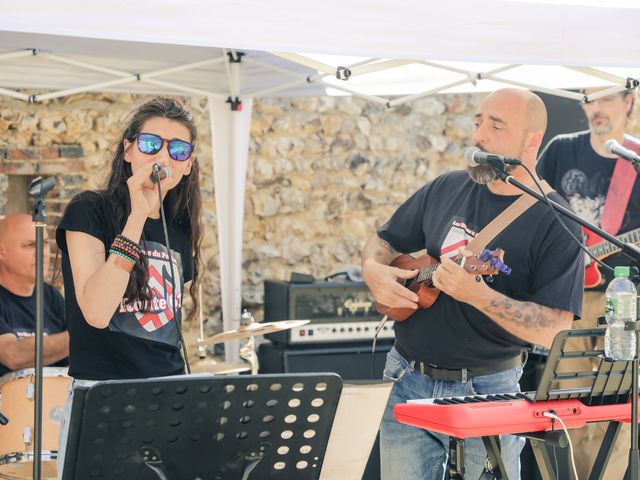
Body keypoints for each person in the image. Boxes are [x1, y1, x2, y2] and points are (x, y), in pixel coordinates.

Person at [362, 88, 584, 480]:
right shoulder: (445, 187)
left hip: (490, 389)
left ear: (532, 140)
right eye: (478, 122)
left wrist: (479, 296)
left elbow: (555, 329)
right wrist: (373, 271)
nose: (479, 135)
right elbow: (384, 242)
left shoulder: (557, 220)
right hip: (406, 378)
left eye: (496, 125)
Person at [55, 97, 202, 475]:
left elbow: (166, 323)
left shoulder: (180, 228)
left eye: (178, 149)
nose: (163, 156)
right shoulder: (89, 211)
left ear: (187, 165)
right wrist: (137, 216)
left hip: (169, 397)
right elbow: (97, 312)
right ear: (128, 151)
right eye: (151, 143)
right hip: (105, 395)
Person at [537, 87, 638, 479]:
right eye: (590, 100)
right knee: (564, 400)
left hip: (625, 300)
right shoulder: (561, 150)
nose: (595, 109)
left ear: (629, 101)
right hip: (568, 297)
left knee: (616, 406)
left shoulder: (636, 158)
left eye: (606, 99)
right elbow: (531, 209)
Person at [0, 213, 68, 377]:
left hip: (53, 399)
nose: (42, 253)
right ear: (1, 252)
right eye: (30, 245)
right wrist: (85, 336)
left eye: (44, 243)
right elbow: (12, 355)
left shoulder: (52, 297)